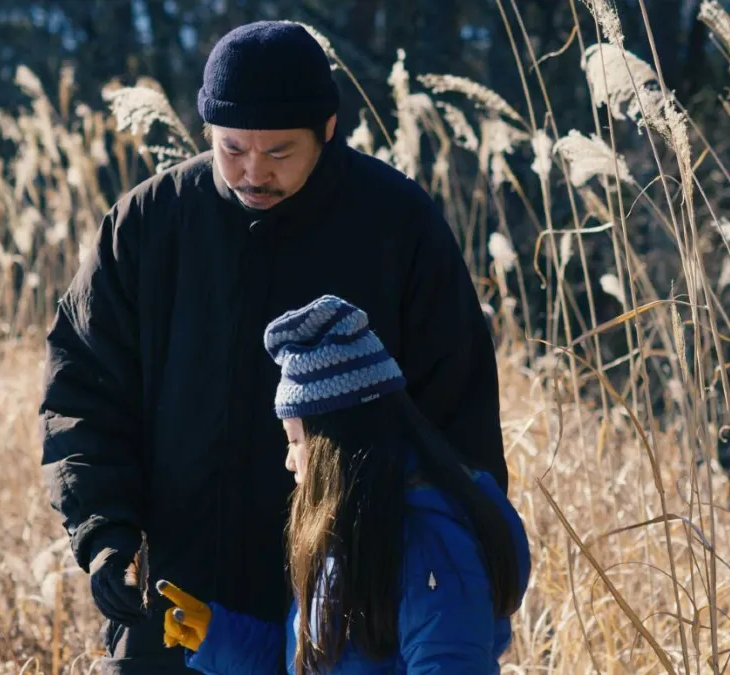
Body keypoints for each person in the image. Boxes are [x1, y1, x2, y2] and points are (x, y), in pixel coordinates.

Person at [38, 19, 508, 674]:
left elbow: (455, 423)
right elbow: (81, 395)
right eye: (232, 148)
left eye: (280, 151)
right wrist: (107, 535)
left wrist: (439, 566)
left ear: (329, 129)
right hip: (176, 608)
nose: (253, 170)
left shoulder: (398, 226)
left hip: (344, 607)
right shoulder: (147, 225)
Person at [157, 295, 531, 674]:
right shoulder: (357, 530)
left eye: (295, 440)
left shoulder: (430, 543)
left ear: (332, 443)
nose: (288, 459)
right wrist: (218, 638)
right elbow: (315, 665)